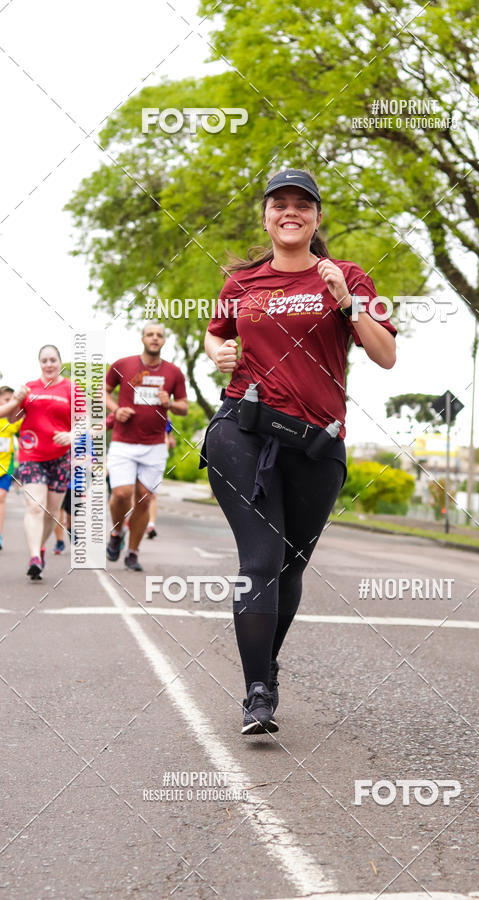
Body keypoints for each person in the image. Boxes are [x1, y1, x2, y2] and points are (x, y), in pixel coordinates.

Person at [201, 169, 396, 735]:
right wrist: (218, 351)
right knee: (259, 561)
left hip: (316, 442)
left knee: (289, 567)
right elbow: (218, 333)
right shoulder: (242, 283)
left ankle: (267, 663)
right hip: (244, 429)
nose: (291, 212)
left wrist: (346, 304)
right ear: (266, 216)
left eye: (302, 204)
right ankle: (257, 692)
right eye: (279, 204)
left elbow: (385, 356)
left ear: (316, 217)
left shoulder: (348, 277)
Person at [105, 321, 188, 571]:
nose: (154, 338)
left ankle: (132, 552)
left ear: (164, 341)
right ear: (142, 338)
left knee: (144, 498)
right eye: (150, 334)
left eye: (159, 335)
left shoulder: (174, 372)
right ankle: (117, 533)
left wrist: (170, 403)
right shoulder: (123, 365)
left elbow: (183, 407)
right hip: (123, 442)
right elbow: (103, 392)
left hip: (154, 445)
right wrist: (115, 410)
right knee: (120, 494)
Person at [3, 346, 80, 580]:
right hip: (31, 455)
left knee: (51, 512)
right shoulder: (30, 388)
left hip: (60, 457)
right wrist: (17, 400)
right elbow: (12, 417)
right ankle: (35, 556)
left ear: (60, 362)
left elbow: (85, 422)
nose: (49, 364)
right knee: (35, 507)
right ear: (39, 363)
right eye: (44, 360)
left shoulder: (71, 389)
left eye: (53, 360)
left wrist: (71, 435)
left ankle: (42, 547)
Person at [0, 386, 22, 550]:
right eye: (7, 400)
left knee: (1, 498)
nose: (11, 404)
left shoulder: (13, 421)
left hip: (5, 468)